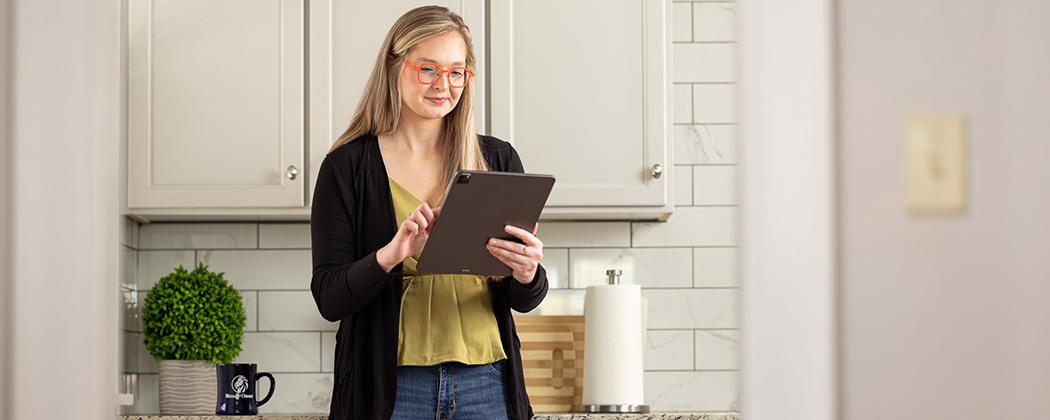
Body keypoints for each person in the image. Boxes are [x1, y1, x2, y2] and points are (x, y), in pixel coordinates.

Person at [309, 5, 549, 420]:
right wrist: (392, 254)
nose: (445, 84)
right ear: (394, 66)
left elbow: (522, 299)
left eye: (457, 72)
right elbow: (329, 297)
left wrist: (527, 272)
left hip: (487, 383)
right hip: (390, 389)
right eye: (428, 69)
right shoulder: (347, 168)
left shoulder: (496, 158)